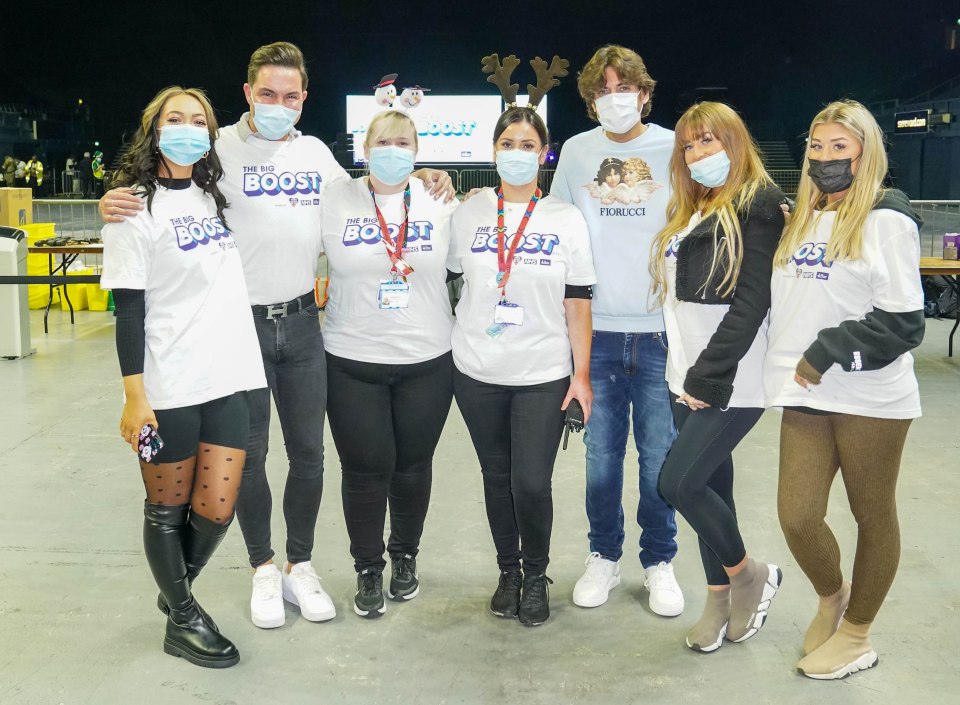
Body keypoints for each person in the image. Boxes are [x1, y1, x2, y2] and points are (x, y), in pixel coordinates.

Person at [100, 42, 454, 630]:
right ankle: (263, 565)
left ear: (303, 100)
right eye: (267, 94)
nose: (278, 104)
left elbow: (371, 194)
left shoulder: (316, 154)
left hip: (303, 325)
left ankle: (300, 563)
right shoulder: (215, 147)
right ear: (247, 94)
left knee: (310, 455)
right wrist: (114, 195)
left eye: (290, 96)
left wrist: (423, 173)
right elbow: (166, 185)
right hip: (237, 329)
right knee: (251, 456)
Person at [100, 86, 267, 668]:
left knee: (218, 505)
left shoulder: (208, 194)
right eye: (176, 118)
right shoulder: (131, 210)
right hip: (166, 383)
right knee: (165, 509)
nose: (189, 128)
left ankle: (175, 594)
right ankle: (184, 616)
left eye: (199, 120)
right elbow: (129, 311)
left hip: (228, 375)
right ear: (155, 129)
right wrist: (134, 397)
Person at [765, 99, 924, 680]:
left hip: (870, 398)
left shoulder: (885, 217)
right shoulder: (805, 217)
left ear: (865, 152)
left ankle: (857, 633)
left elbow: (905, 323)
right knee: (797, 516)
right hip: (806, 395)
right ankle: (833, 595)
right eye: (817, 146)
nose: (826, 157)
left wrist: (824, 351)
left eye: (840, 147)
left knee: (871, 513)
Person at [448, 54, 596, 627]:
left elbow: (578, 301)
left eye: (527, 144)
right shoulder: (468, 212)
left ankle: (537, 572)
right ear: (493, 151)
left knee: (532, 482)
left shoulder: (565, 218)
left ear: (544, 152)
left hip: (541, 371)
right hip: (477, 369)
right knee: (495, 478)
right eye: (507, 142)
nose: (517, 152)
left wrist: (580, 375)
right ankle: (507, 570)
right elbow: (442, 271)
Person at [550, 44, 683, 616]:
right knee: (601, 458)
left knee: (659, 458)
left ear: (645, 93)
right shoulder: (578, 154)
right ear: (589, 102)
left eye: (622, 87)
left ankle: (659, 561)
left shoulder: (677, 145)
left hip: (660, 331)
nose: (614, 99)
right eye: (601, 91)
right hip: (596, 333)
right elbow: (549, 220)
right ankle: (603, 555)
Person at [649, 102, 785, 653]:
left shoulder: (760, 203)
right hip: (683, 372)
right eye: (689, 145)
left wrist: (707, 376)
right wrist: (685, 373)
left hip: (731, 377)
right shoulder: (691, 207)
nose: (698, 153)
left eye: (709, 141)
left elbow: (751, 303)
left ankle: (750, 574)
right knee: (709, 487)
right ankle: (719, 596)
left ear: (735, 140)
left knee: (677, 483)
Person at [320, 110, 458, 618]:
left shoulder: (439, 200)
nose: (393, 149)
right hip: (352, 357)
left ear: (418, 151)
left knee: (412, 466)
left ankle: (404, 557)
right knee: (364, 469)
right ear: (365, 147)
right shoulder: (335, 199)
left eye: (404, 142)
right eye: (384, 141)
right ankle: (367, 566)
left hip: (427, 358)